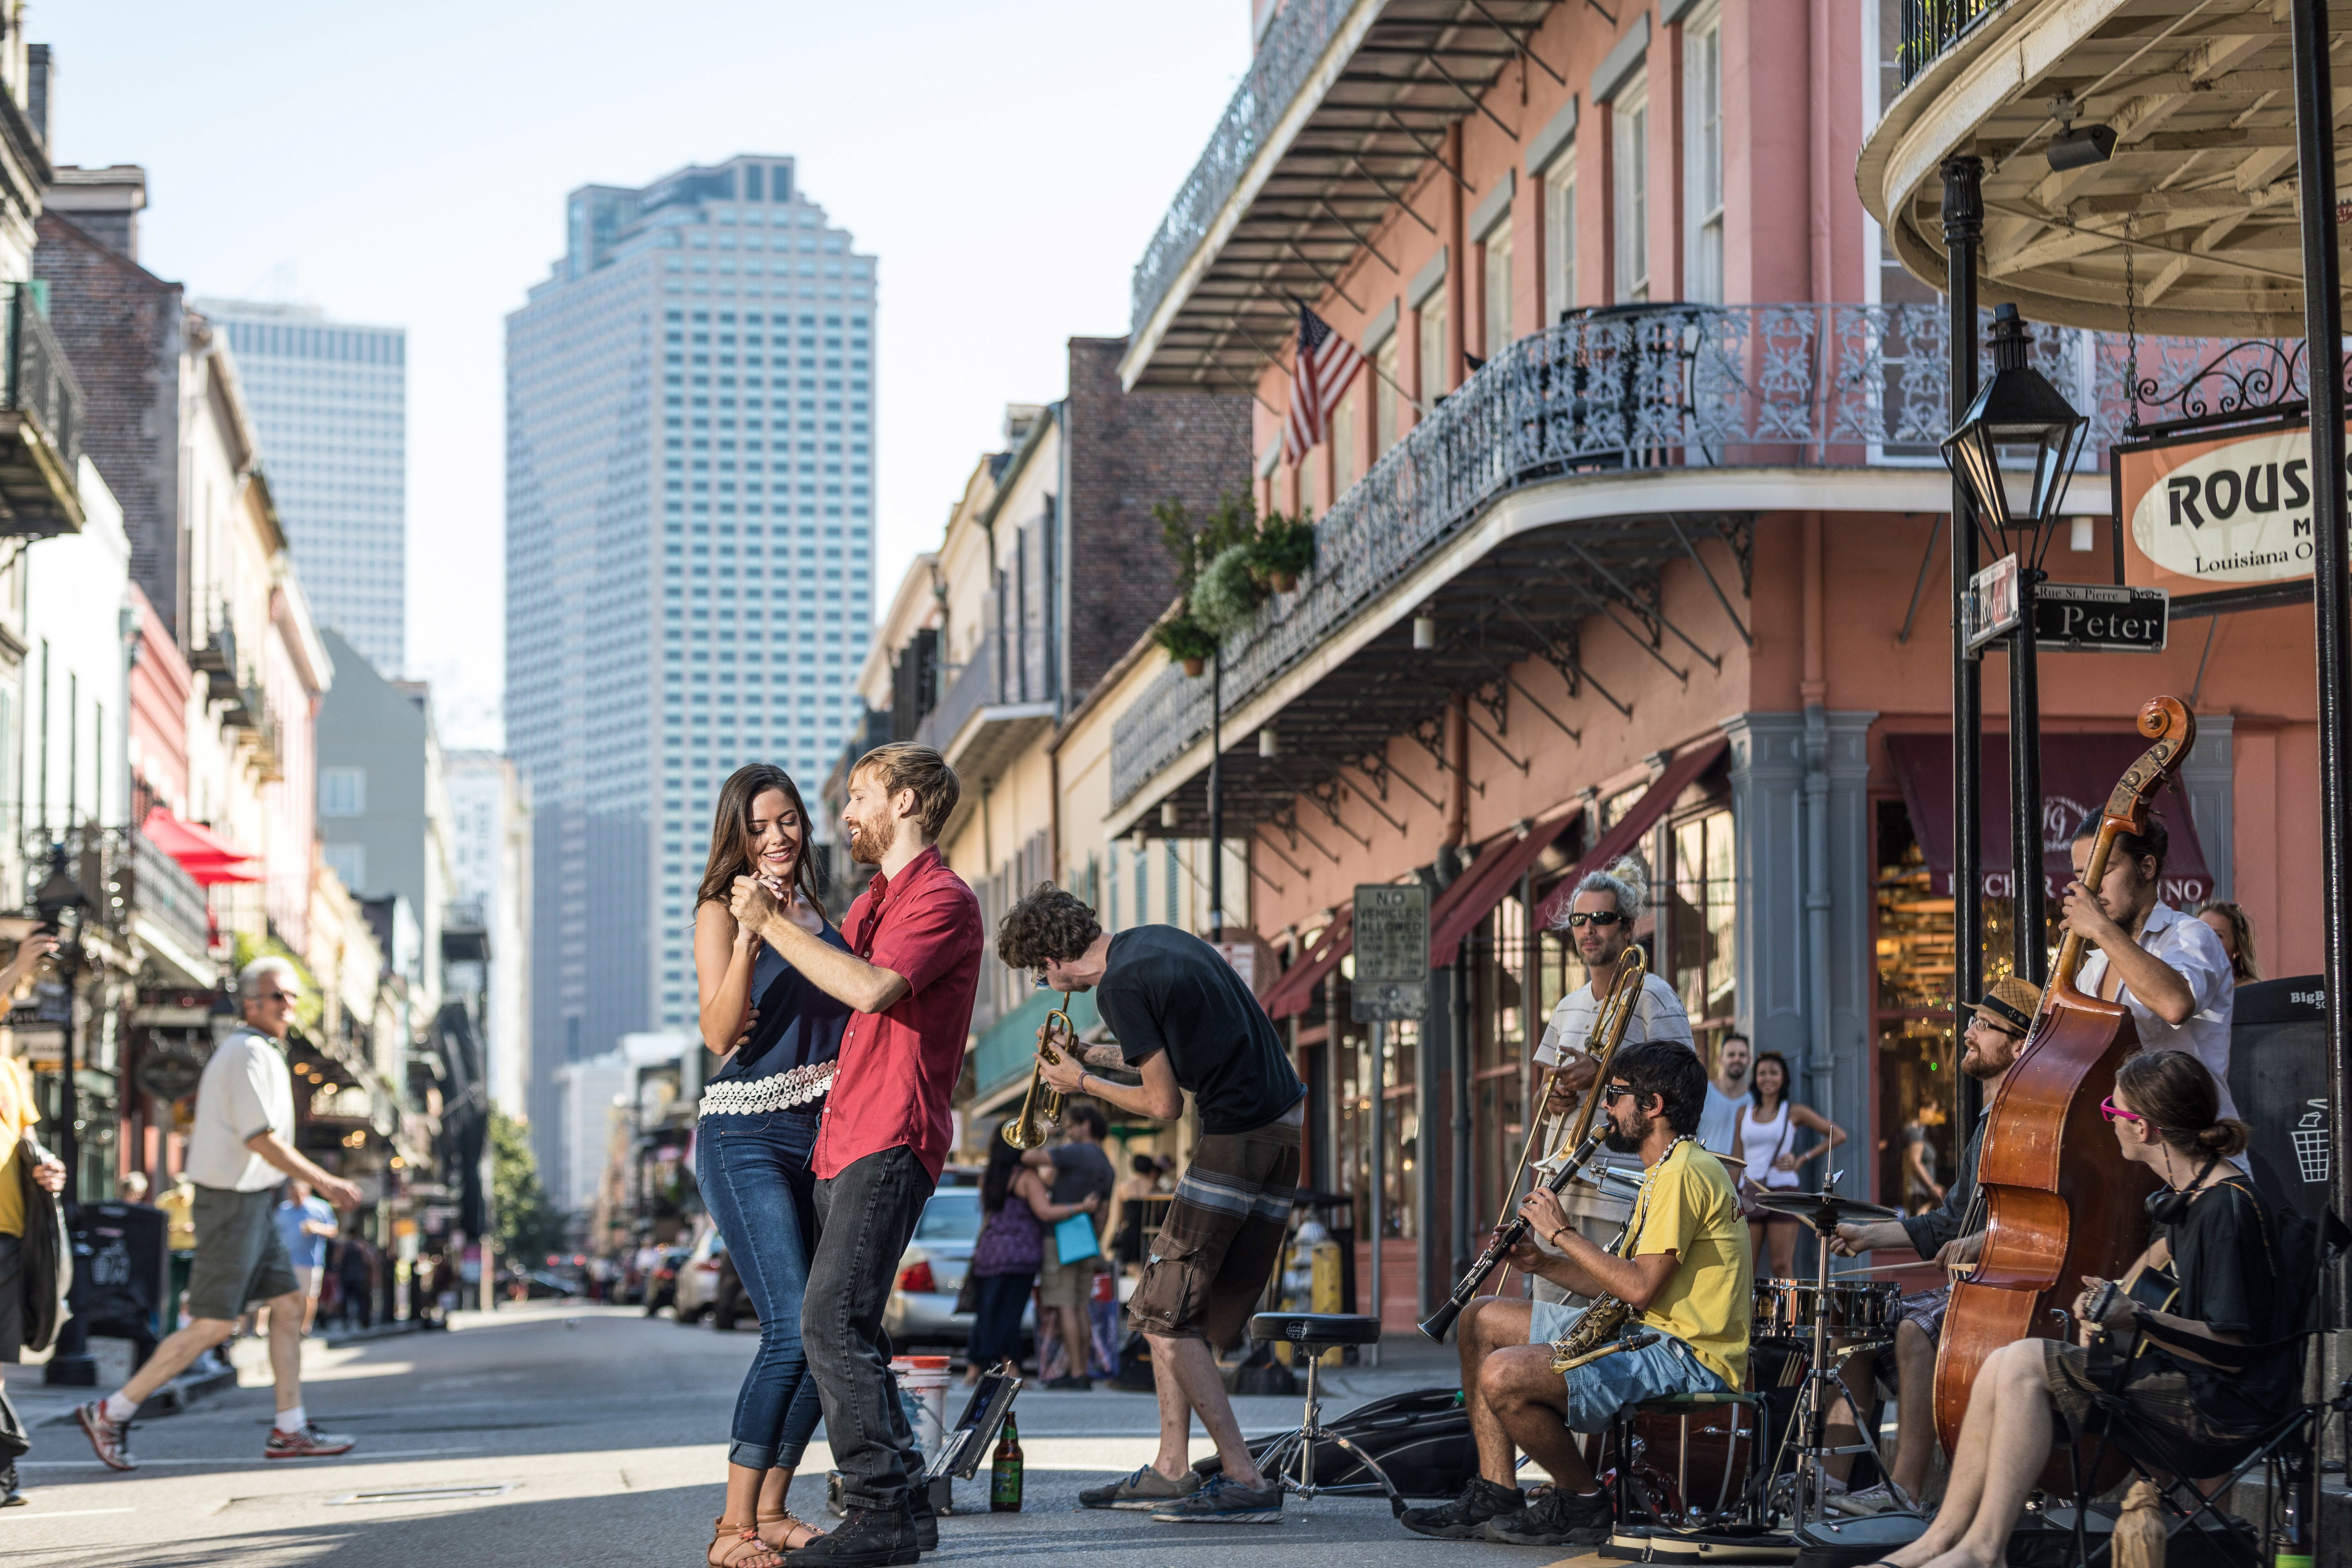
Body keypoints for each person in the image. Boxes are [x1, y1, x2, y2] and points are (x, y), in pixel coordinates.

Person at [1872, 1050, 2301, 1568]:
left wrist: (2135, 1316)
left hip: (2218, 1413)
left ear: (2142, 1129)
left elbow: (2231, 1350)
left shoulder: (2225, 1209)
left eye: (2111, 1112)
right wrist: (2119, 1292)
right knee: (2005, 1362)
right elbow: (2159, 1267)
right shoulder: (2193, 1197)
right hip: (2190, 1389)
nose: (2108, 1122)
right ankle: (1942, 1539)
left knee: (2027, 1364)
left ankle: (1984, 1551)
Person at [729, 742, 982, 1567]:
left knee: (827, 1321)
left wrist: (771, 923)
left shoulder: (942, 899)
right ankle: (905, 1513)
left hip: (891, 1133)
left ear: (907, 802)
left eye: (861, 797)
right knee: (849, 1326)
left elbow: (872, 988)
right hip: (845, 1136)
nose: (845, 816)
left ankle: (878, 1509)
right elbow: (826, 970)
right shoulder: (876, 901)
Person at [993, 884, 1306, 1525]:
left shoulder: (1119, 987)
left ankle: (1243, 1477)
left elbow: (1164, 1105)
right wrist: (1085, 1054)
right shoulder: (1155, 942)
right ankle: (1171, 1467)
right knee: (1179, 1306)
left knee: (1163, 1308)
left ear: (1053, 958)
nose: (1045, 983)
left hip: (1238, 1134)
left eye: (1038, 972)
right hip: (1279, 1129)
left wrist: (1078, 1082)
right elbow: (1167, 1065)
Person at [1400, 1041, 1752, 1547]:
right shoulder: (1666, 1169)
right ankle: (1496, 1492)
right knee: (1481, 1318)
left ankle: (1581, 1500)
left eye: (1616, 1095)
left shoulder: (1683, 1174)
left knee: (1503, 1374)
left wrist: (1561, 1231)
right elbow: (1624, 1281)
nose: (1606, 1106)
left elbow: (1640, 1289)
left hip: (1686, 1353)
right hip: (1646, 1331)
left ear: (1651, 1107)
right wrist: (1544, 1262)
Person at [75, 957, 363, 1470]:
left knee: (291, 1305)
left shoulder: (266, 1053)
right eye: (277, 996)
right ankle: (111, 1412)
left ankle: (290, 1429)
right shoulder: (245, 1053)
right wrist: (324, 1180)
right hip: (230, 1202)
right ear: (250, 1002)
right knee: (212, 1325)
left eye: (292, 996)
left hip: (255, 1200)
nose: (288, 1005)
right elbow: (260, 1138)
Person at [692, 764, 854, 1568]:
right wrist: (754, 931)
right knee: (789, 1329)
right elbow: (719, 1034)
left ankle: (774, 1509)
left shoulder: (829, 914)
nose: (779, 837)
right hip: (745, 1135)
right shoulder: (721, 910)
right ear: (739, 835)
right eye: (761, 827)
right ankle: (731, 1529)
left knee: (825, 1332)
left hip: (821, 1138)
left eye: (789, 820)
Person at [1825, 975, 2042, 1514]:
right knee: (1851, 1317)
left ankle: (1906, 1491)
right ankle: (1830, 1486)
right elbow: (1948, 1222)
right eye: (1972, 1021)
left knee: (1913, 1328)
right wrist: (1866, 1237)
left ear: (2018, 1047)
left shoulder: (2030, 1124)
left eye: (1984, 1026)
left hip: (2003, 1295)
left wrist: (1982, 1239)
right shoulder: (1989, 1122)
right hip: (1973, 1283)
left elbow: (2040, 1226)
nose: (1968, 1032)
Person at [1527, 860, 1694, 1302]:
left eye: (1602, 919)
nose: (1589, 930)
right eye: (1580, 920)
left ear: (1628, 928)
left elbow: (1685, 1086)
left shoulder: (1654, 995)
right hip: (1560, 1187)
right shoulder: (1566, 1006)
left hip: (1618, 1189)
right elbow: (1544, 1094)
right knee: (1547, 1327)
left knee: (1605, 1327)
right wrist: (1556, 1093)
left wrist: (1601, 1076)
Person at [2064, 811, 2240, 1129]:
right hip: (2130, 1151)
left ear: (2147, 867)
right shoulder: (2095, 966)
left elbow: (2176, 1004)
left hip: (2194, 1146)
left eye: (2105, 870)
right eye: (2081, 875)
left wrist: (2101, 928)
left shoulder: (2190, 935)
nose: (2090, 888)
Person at [0, 934, 66, 1506]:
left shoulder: (12, 1070)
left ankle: (2, 1468)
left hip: (12, 1229)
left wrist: (50, 1170)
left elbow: (27, 1139)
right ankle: (4, 1465)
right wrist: (17, 965)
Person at [965, 1122, 1095, 1384]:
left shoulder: (988, 1175)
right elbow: (1045, 1212)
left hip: (990, 1253)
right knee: (1011, 1314)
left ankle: (974, 1369)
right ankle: (1012, 1370)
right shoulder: (1026, 1178)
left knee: (988, 1311)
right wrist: (1082, 1207)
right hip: (1020, 1255)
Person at [1022, 1101, 1114, 1389]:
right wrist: (1096, 1242)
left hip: (1060, 1236)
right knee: (1080, 1306)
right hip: (1087, 1240)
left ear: (1086, 1125)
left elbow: (1028, 1158)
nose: (1069, 1130)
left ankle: (1075, 1373)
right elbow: (1104, 1212)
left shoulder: (1077, 1152)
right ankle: (1082, 1369)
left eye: (1072, 1125)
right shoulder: (1106, 1163)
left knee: (1065, 1306)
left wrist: (1048, 1132)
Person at [1740, 1051, 1846, 1278]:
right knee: (1746, 1267)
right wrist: (1731, 1193)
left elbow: (1838, 1135)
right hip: (1749, 1193)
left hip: (1784, 1192)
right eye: (1762, 1074)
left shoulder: (1793, 1111)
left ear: (1784, 1077)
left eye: (1774, 1073)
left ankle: (1787, 1315)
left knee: (1781, 1266)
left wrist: (1801, 1159)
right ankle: (1746, 1315)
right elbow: (1736, 1157)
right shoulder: (1744, 1113)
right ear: (1755, 1078)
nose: (1768, 1078)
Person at [273, 1180, 338, 1336]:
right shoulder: (284, 1209)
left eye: (298, 1193)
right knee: (289, 1295)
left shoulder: (320, 1207)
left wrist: (318, 1228)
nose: (295, 1197)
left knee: (309, 1296)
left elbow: (334, 1230)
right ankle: (290, 1326)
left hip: (310, 1261)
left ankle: (305, 1328)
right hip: (287, 1260)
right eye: (292, 1193)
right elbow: (275, 1231)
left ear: (306, 1192)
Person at [1696, 1034, 1751, 1158]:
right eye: (1731, 1055)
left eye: (1742, 1055)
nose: (1737, 1059)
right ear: (1720, 1059)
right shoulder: (1703, 1092)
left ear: (1749, 1060)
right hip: (1705, 1173)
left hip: (1741, 1176)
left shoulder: (1754, 1100)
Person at [1111, 1153, 1164, 1274]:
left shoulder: (1123, 1187)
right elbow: (1160, 1213)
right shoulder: (1156, 1188)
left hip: (1131, 1232)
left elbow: (1120, 1216)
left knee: (1134, 1270)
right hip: (1150, 1231)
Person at [2195, 901, 2261, 986]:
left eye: (2218, 935)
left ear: (2237, 949)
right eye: (2201, 933)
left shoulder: (2249, 991)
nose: (2206, 940)